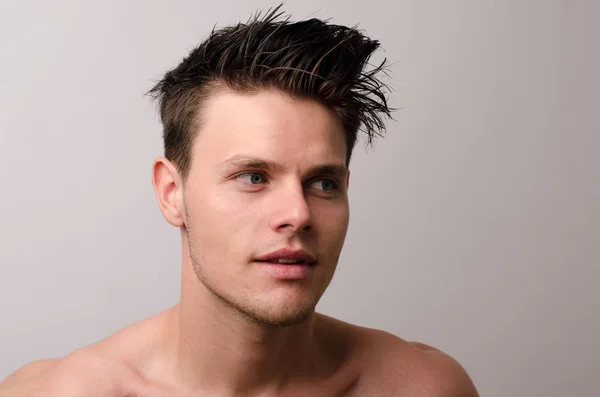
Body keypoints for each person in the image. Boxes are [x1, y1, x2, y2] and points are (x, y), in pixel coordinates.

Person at [1, 6, 479, 397]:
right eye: (253, 177)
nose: (297, 214)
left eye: (324, 183)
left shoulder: (421, 388)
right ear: (173, 194)